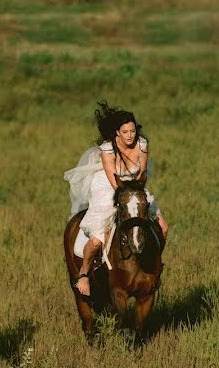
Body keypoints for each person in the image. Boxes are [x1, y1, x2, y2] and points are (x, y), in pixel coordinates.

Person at [64, 101, 168, 297]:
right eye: (125, 132)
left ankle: (155, 267)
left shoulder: (142, 145)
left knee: (163, 227)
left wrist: (136, 194)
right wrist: (126, 198)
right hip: (109, 185)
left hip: (135, 187)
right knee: (96, 240)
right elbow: (113, 180)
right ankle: (84, 273)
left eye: (132, 131)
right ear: (117, 133)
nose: (130, 135)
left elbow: (142, 174)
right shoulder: (107, 149)